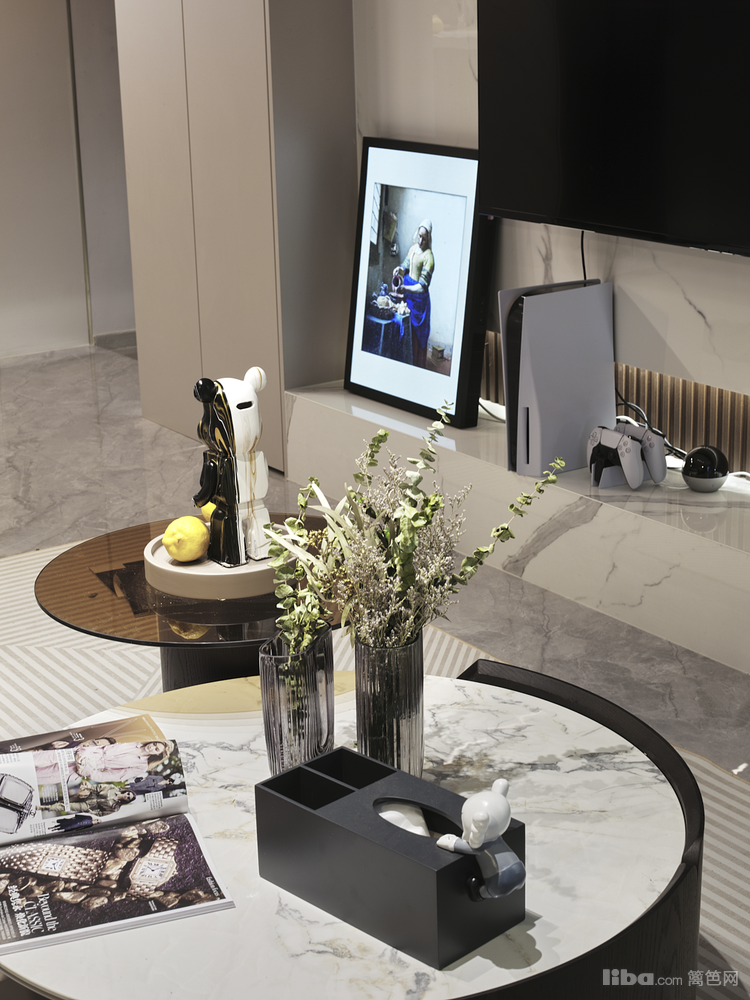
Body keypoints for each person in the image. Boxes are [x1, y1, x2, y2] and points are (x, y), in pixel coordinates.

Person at [393, 219, 434, 368]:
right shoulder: (412, 249)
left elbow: (422, 287)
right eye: (419, 236)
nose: (420, 240)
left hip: (419, 301)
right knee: (406, 330)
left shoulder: (429, 257)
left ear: (428, 239)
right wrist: (399, 269)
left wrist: (405, 288)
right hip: (408, 296)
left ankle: (415, 366)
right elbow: (405, 266)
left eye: (424, 238)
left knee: (416, 336)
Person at [74, 740, 174, 783]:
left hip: (88, 767)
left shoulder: (142, 766)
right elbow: (102, 742)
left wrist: (84, 770)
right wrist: (83, 753)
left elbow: (112, 776)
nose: (151, 747)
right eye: (154, 744)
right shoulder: (134, 741)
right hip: (84, 750)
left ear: (158, 755)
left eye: (156, 749)